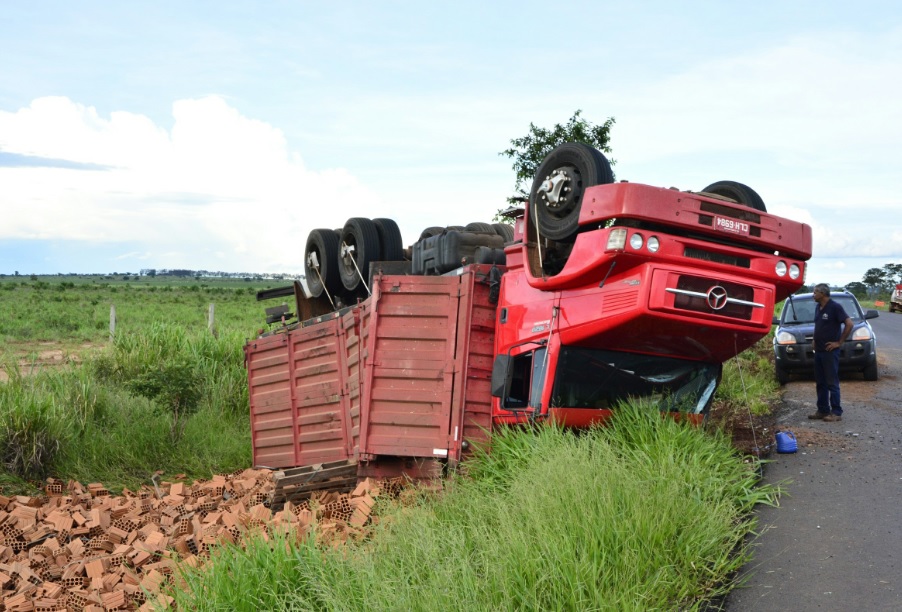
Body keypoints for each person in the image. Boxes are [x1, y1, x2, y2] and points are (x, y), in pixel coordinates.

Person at [808, 283, 853, 422]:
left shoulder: (835, 307)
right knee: (820, 382)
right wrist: (815, 340)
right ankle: (822, 410)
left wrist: (839, 342)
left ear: (823, 293)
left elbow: (849, 324)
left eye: (815, 292)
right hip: (819, 350)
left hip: (830, 351)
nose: (813, 294)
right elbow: (819, 325)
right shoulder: (818, 307)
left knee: (831, 382)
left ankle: (836, 412)